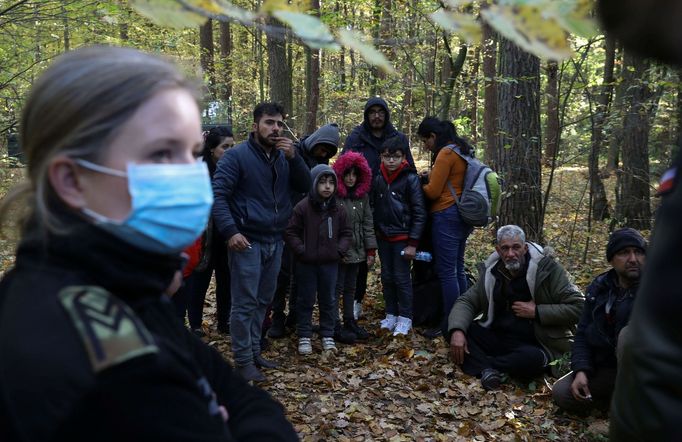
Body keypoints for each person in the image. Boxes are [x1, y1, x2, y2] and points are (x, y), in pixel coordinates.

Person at [0, 46, 297, 441]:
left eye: (192, 154)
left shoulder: (125, 290)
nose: (187, 175)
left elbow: (246, 401)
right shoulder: (92, 345)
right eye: (160, 154)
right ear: (71, 180)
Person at [212, 102, 311, 382]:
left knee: (263, 301)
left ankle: (255, 352)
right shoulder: (237, 157)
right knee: (244, 303)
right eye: (269, 122)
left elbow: (305, 185)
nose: (275, 128)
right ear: (255, 126)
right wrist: (231, 232)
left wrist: (295, 157)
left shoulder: (283, 156)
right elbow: (218, 196)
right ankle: (243, 362)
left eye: (279, 123)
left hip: (275, 239)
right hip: (246, 240)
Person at [448, 225, 584, 390]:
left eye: (516, 247)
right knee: (451, 323)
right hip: (498, 336)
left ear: (525, 248)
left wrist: (537, 311)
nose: (510, 254)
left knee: (530, 360)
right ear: (498, 250)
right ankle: (490, 369)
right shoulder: (493, 272)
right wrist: (457, 331)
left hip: (536, 343)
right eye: (505, 248)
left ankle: (484, 366)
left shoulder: (548, 270)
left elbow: (580, 306)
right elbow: (467, 301)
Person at [552, 228, 646, 413]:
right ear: (611, 259)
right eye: (624, 253)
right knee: (562, 392)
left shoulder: (656, 287)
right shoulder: (600, 289)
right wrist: (581, 370)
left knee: (628, 336)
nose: (633, 259)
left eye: (639, 252)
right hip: (609, 369)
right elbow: (582, 334)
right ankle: (613, 405)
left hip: (649, 376)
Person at [342, 97, 415, 321]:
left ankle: (400, 312)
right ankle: (355, 301)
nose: (376, 116)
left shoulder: (397, 138)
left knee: (395, 267)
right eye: (372, 112)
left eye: (380, 112)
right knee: (360, 256)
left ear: (386, 114)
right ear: (366, 115)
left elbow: (409, 168)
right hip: (362, 202)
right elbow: (345, 166)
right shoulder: (356, 137)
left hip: (393, 207)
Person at [268, 123, 340, 339]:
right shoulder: (292, 154)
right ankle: (277, 317)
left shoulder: (321, 163)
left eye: (328, 150)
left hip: (309, 226)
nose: (324, 152)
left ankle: (295, 316)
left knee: (300, 274)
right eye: (322, 147)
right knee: (282, 274)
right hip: (285, 221)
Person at [284, 165, 352, 354]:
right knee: (305, 299)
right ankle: (304, 334)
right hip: (307, 264)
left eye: (331, 182)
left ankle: (327, 334)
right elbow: (290, 232)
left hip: (330, 264)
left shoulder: (338, 209)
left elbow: (346, 233)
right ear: (313, 183)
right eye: (322, 182)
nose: (327, 187)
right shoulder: (303, 207)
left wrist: (339, 250)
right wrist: (301, 250)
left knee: (328, 299)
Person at [173, 126, 234, 336]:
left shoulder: (234, 169)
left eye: (232, 147)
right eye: (225, 147)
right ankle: (196, 324)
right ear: (212, 149)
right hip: (203, 236)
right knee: (199, 281)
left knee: (226, 282)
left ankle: (224, 322)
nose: (229, 151)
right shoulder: (198, 171)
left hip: (227, 235)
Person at [417, 117, 474, 339]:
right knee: (457, 269)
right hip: (462, 214)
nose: (425, 146)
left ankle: (450, 323)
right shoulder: (461, 150)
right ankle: (462, 319)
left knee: (447, 272)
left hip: (446, 214)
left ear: (433, 136)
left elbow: (432, 192)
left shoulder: (445, 154)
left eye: (425, 140)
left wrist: (420, 184)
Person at [371, 136, 427, 336]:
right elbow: (373, 206)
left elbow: (419, 212)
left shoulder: (410, 178)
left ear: (403, 157)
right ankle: (391, 313)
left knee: (401, 278)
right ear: (381, 157)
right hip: (383, 236)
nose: (391, 161)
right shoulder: (378, 178)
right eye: (387, 157)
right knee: (387, 277)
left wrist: (413, 243)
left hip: (402, 237)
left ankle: (405, 317)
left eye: (396, 157)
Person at [332, 151, 377, 342]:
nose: (350, 178)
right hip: (340, 251)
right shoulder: (335, 198)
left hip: (357, 250)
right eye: (347, 174)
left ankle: (350, 319)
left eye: (354, 174)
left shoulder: (363, 198)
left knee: (351, 287)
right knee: (337, 287)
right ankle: (333, 323)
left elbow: (368, 224)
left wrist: (370, 250)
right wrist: (335, 250)